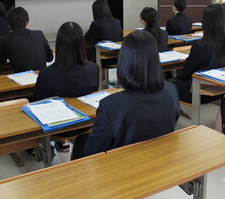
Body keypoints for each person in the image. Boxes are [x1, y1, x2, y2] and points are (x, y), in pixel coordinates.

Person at [73, 30, 180, 158]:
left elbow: (94, 150)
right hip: (162, 160)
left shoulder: (110, 105)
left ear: (124, 61)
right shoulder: (171, 90)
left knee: (81, 143)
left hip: (125, 169)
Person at [175, 3, 225, 103]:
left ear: (206, 21)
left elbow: (184, 73)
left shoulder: (200, 46)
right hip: (218, 90)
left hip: (196, 91)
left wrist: (176, 76)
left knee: (167, 87)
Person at [33, 22, 99, 101]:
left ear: (59, 44)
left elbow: (36, 104)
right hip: (86, 112)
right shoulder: (94, 69)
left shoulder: (46, 74)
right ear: (81, 43)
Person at [0, 6, 53, 73]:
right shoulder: (39, 34)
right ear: (27, 22)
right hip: (42, 78)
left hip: (21, 79)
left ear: (8, 25)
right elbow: (50, 58)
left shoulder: (3, 41)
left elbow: (0, 61)